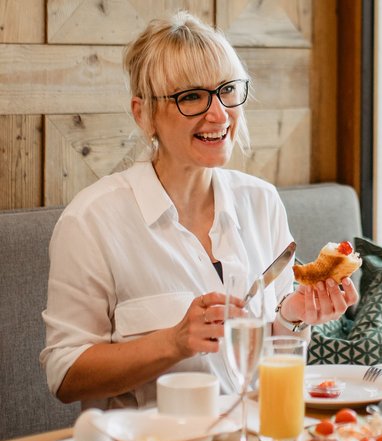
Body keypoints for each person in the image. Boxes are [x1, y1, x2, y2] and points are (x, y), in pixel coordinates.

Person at [40, 12, 357, 410]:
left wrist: (294, 316)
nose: (219, 114)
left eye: (227, 90)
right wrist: (172, 342)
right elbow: (65, 374)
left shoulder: (262, 202)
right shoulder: (91, 222)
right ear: (144, 114)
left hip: (254, 440)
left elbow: (264, 356)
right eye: (191, 96)